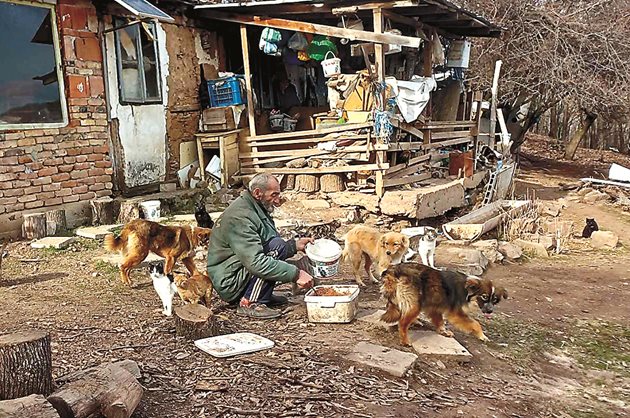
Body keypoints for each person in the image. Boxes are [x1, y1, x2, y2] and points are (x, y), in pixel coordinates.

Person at [206, 173, 315, 319]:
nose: (277, 201)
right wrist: (296, 274)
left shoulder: (254, 207)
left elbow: (265, 243)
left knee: (278, 246)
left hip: (238, 270)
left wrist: (293, 246)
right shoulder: (240, 217)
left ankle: (263, 294)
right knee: (274, 250)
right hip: (229, 281)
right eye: (274, 195)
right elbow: (256, 262)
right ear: (258, 193)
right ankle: (250, 301)